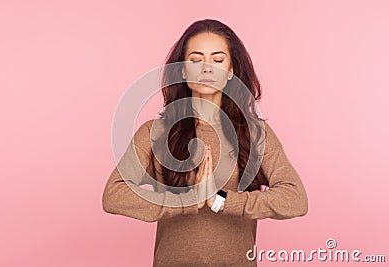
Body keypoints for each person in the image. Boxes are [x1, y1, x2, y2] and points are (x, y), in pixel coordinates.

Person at [102, 18, 308, 266]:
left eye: (218, 60)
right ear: (182, 69)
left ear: (231, 72)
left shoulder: (255, 133)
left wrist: (221, 200)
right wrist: (187, 200)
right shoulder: (156, 133)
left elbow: (296, 199)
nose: (207, 68)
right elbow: (113, 195)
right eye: (196, 60)